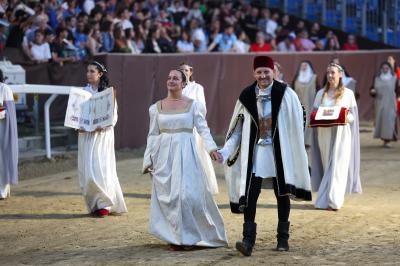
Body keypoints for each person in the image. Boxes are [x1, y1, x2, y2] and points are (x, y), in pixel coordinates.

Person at [217, 56, 312, 256]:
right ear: (254, 74)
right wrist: (225, 151)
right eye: (259, 72)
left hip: (280, 153)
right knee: (251, 195)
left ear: (273, 72)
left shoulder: (286, 94)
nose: (263, 76)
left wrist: (293, 146)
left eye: (266, 72)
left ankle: (282, 239)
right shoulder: (246, 96)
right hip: (256, 154)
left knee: (282, 193)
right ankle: (248, 240)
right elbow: (236, 130)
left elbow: (298, 122)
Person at [142, 69, 228, 250]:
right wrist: (148, 160)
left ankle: (191, 236)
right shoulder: (156, 108)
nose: (171, 80)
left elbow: (203, 129)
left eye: (176, 78)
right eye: (169, 77)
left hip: (187, 154)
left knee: (187, 196)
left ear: (184, 83)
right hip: (164, 156)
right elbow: (152, 135)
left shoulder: (194, 105)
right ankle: (177, 237)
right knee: (170, 197)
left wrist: (212, 148)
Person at [78, 61, 127, 217]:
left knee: (101, 168)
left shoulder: (108, 93)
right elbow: (75, 113)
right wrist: (77, 125)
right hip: (86, 135)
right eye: (87, 71)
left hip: (102, 136)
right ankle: (95, 203)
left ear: (100, 74)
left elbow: (113, 115)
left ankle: (105, 204)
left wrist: (103, 125)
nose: (88, 74)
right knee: (87, 171)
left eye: (92, 71)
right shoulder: (82, 92)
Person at [310, 63, 361, 211]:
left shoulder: (348, 94)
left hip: (341, 134)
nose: (330, 76)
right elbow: (315, 114)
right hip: (324, 134)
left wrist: (344, 117)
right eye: (328, 73)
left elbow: (353, 117)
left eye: (333, 73)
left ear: (340, 74)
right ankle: (325, 199)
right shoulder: (320, 94)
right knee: (328, 166)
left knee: (337, 167)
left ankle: (334, 201)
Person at [179, 62, 218, 195]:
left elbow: (202, 107)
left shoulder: (197, 88)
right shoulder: (177, 88)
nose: (184, 72)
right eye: (181, 70)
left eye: (186, 70)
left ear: (190, 72)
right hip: (180, 128)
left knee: (197, 155)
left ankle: (202, 185)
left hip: (194, 127)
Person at [370, 62, 398, 147]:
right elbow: (372, 89)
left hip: (390, 103)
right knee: (381, 121)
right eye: (383, 68)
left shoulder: (394, 78)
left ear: (389, 69)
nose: (385, 69)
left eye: (387, 68)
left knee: (389, 121)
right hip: (380, 103)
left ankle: (388, 140)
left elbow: (397, 90)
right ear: (381, 69)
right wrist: (372, 92)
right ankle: (384, 139)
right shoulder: (377, 78)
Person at [0, 70, 18, 199]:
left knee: (3, 158)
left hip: (3, 127)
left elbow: (6, 112)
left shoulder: (4, 89)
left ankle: (3, 190)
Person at [292, 61, 319, 147]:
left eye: (305, 65)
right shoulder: (296, 79)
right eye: (302, 65)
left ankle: (308, 142)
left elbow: (319, 91)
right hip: (299, 107)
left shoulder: (314, 78)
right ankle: (300, 142)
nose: (303, 67)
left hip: (311, 105)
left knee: (309, 123)